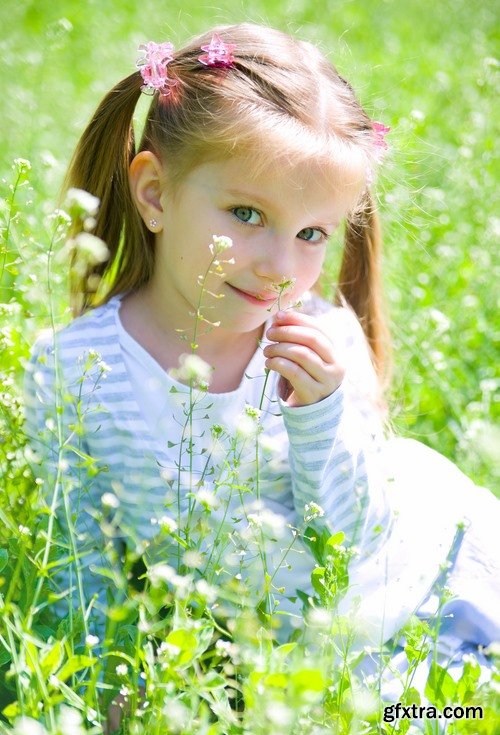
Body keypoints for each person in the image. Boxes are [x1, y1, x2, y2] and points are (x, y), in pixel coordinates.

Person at [24, 23, 499, 699]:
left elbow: (353, 541)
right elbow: (77, 561)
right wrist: (107, 689)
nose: (281, 266)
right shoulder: (74, 369)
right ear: (155, 193)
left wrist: (321, 417)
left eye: (311, 234)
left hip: (398, 607)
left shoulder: (322, 347)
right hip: (243, 650)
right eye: (246, 213)